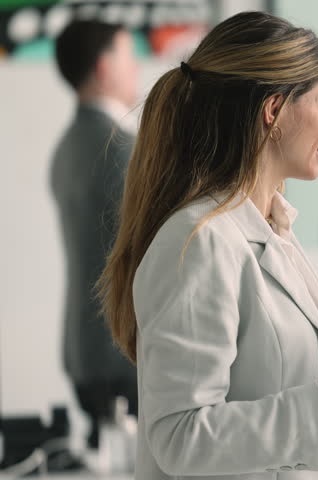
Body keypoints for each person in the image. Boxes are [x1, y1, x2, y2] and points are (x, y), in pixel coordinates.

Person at [97, 12, 318, 480]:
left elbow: (281, 392)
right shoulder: (199, 242)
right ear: (274, 109)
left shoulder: (273, 228)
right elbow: (180, 438)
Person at [50, 19, 139, 450]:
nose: (138, 69)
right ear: (104, 68)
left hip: (83, 348)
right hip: (122, 354)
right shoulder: (120, 147)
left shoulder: (66, 146)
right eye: (129, 56)